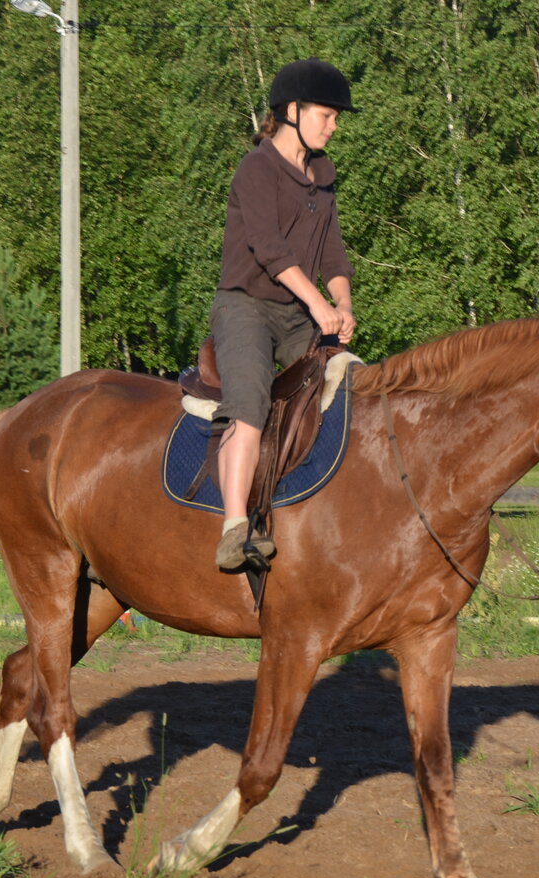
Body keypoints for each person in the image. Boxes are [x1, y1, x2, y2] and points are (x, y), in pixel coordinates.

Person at [211, 57, 358, 573]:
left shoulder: (323, 176)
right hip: (245, 308)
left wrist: (342, 304)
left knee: (353, 383)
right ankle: (234, 528)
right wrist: (318, 304)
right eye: (327, 115)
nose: (334, 126)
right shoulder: (256, 169)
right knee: (249, 405)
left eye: (336, 118)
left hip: (299, 313)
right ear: (293, 111)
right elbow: (268, 247)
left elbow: (334, 255)